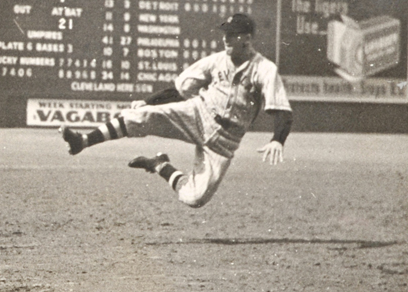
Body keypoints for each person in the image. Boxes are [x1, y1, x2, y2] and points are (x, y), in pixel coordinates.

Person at [61, 13, 293, 208]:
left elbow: (282, 110)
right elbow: (181, 89)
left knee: (194, 198)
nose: (226, 38)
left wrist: (277, 140)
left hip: (226, 139)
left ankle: (159, 165)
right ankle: (83, 140)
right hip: (199, 114)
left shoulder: (264, 69)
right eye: (225, 33)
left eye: (233, 34)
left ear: (247, 38)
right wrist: (149, 102)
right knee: (139, 115)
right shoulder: (216, 60)